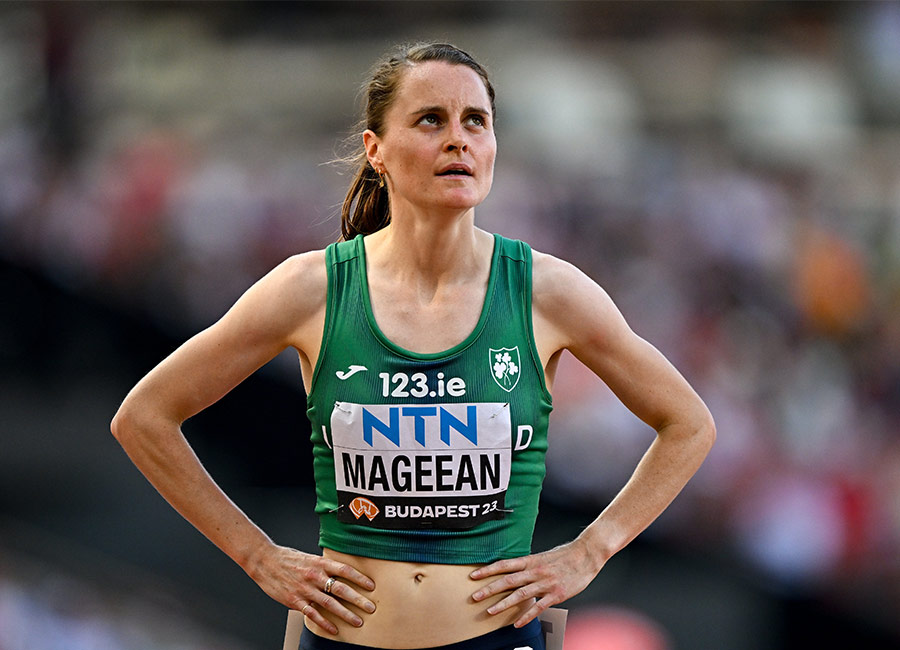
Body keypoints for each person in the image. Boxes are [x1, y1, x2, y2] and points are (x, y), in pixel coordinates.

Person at [110, 42, 715, 650]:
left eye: (475, 121)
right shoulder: (312, 290)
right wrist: (257, 556)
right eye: (431, 120)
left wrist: (588, 553)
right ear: (375, 150)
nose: (459, 140)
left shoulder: (547, 292)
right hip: (346, 638)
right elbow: (144, 417)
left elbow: (688, 424)